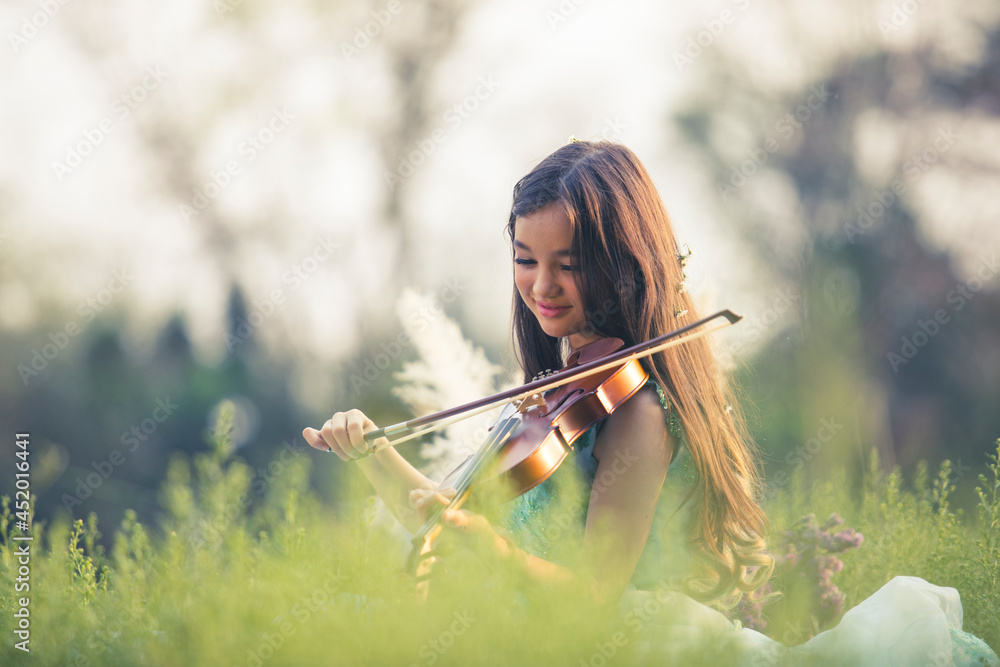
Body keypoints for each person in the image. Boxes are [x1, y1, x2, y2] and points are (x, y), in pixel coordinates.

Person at [302, 140, 999, 666]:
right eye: (524, 258)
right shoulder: (557, 393)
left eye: (567, 262)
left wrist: (487, 551)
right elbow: (442, 524)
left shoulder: (634, 410)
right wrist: (372, 452)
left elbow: (593, 601)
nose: (541, 285)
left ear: (620, 260)